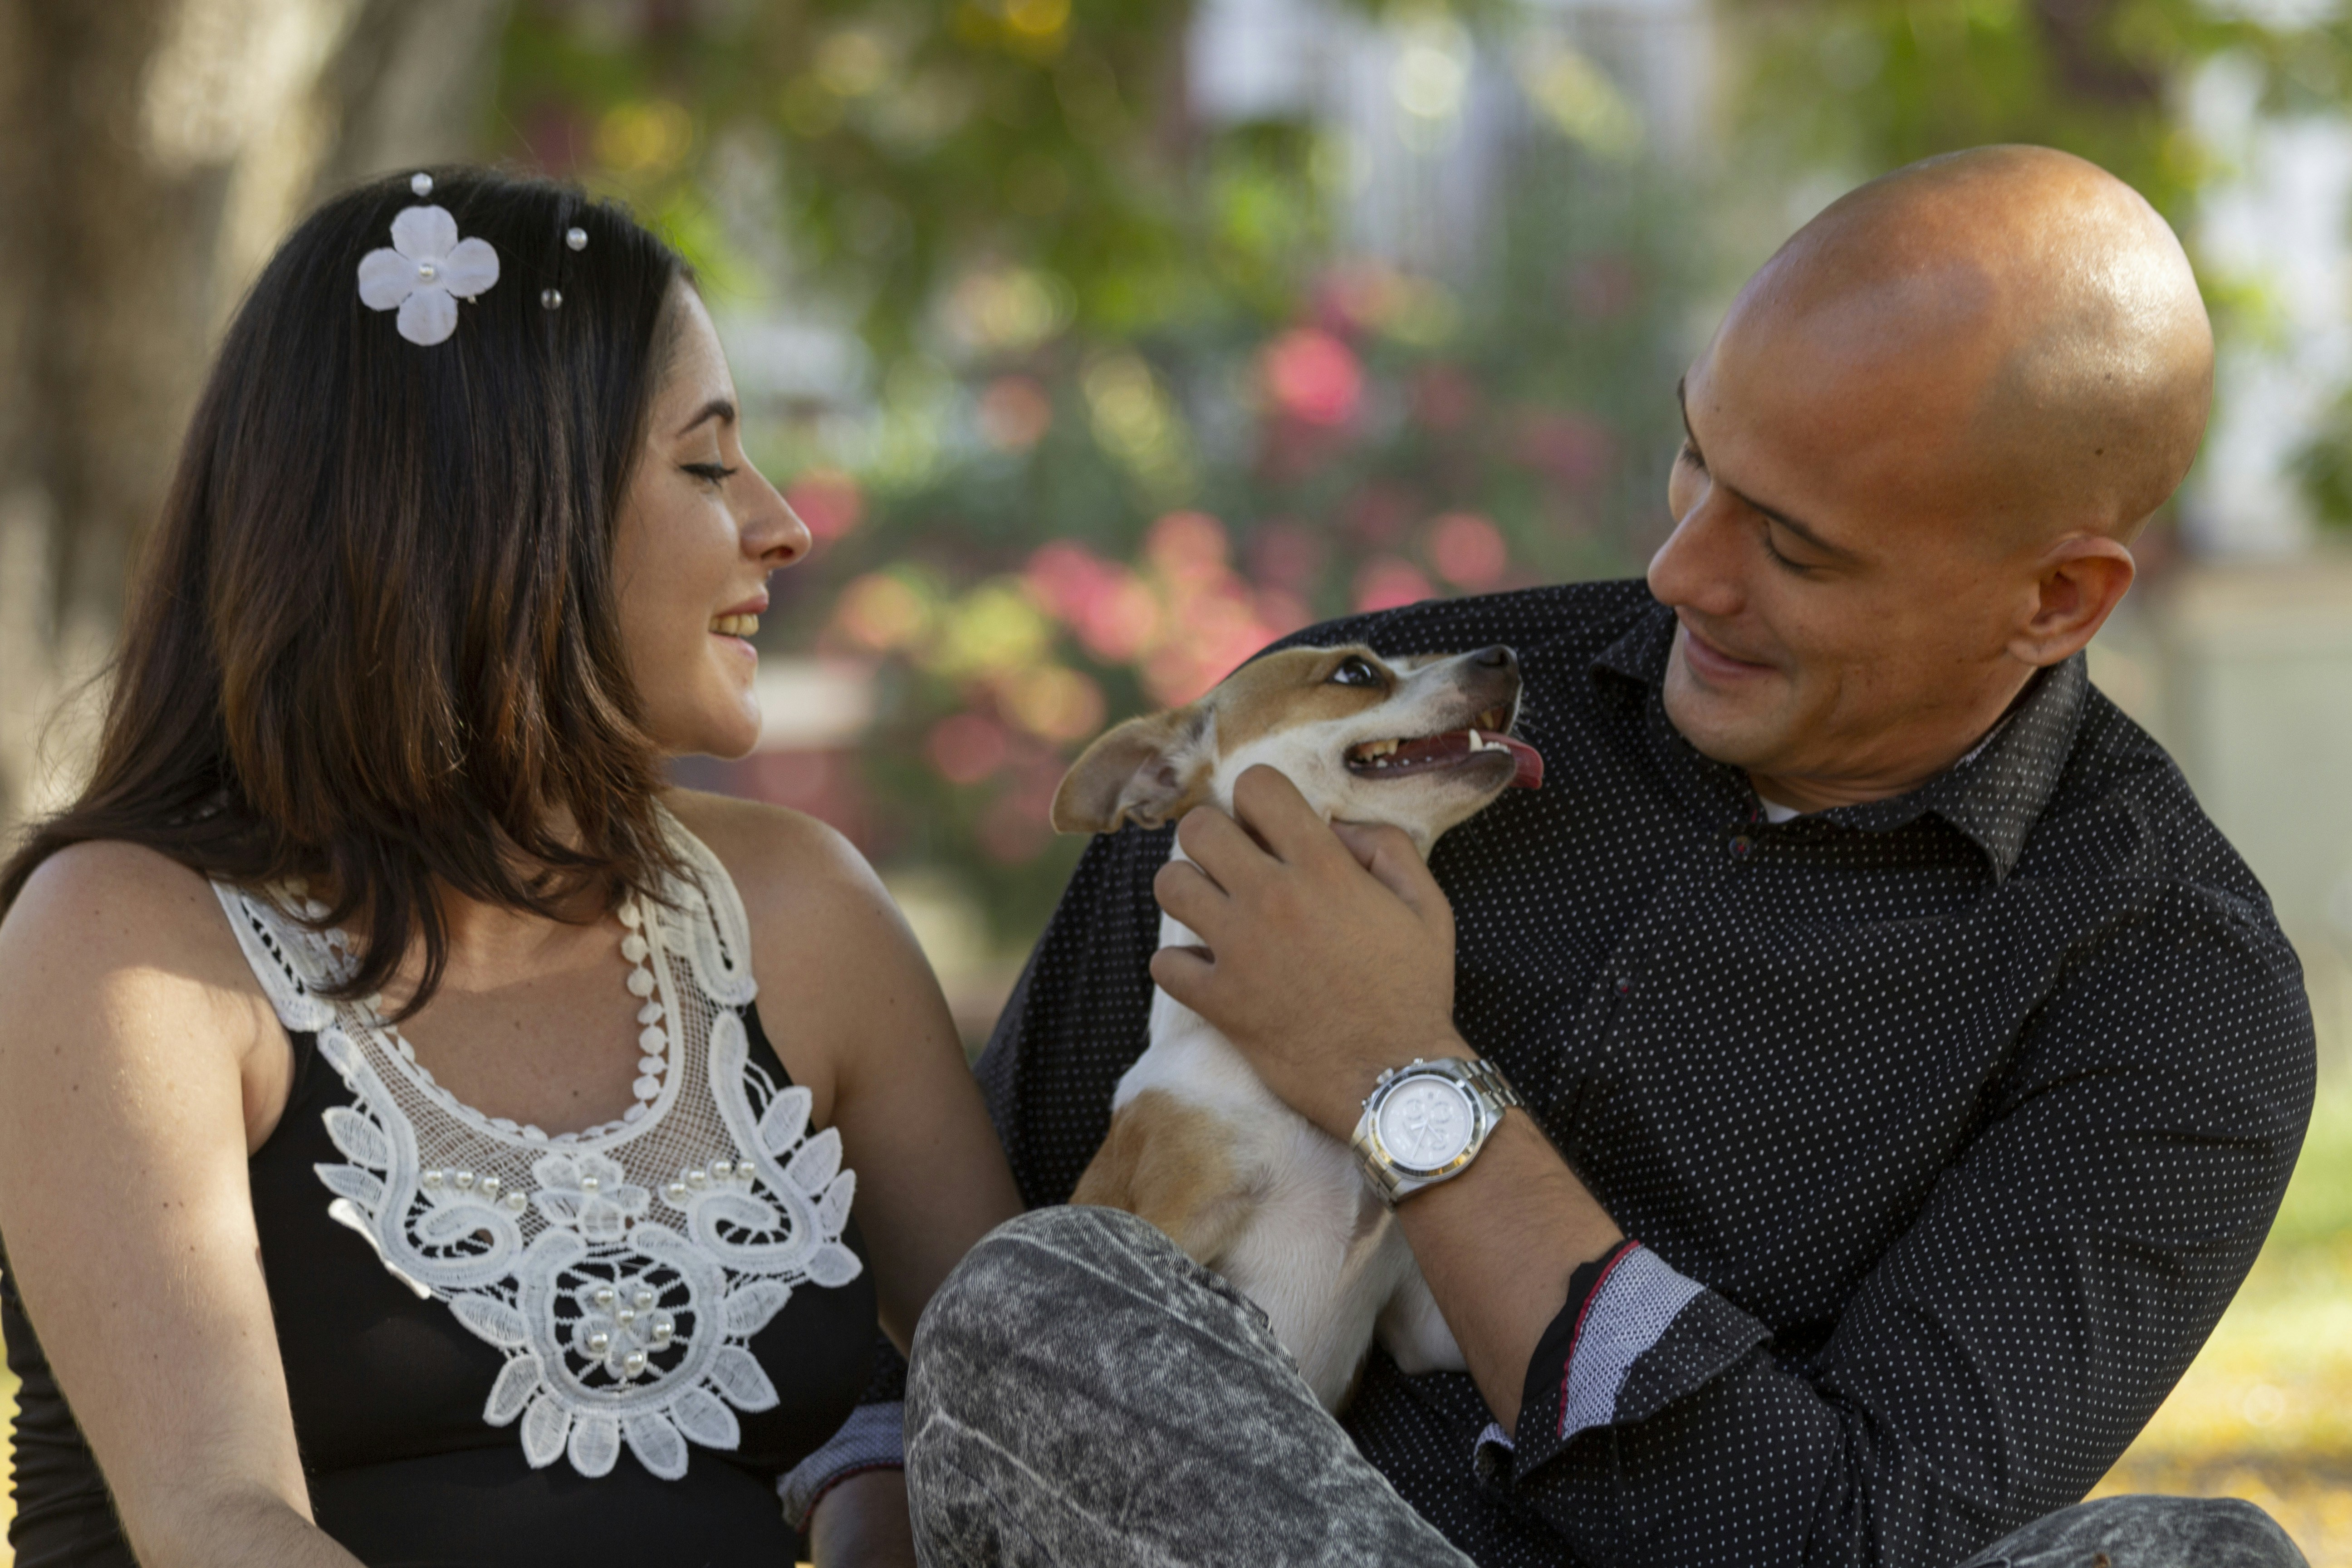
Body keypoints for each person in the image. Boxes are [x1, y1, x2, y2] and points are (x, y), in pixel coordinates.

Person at [906, 147, 2318, 1567]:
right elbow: (1014, 1296)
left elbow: (1855, 1542)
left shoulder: (2174, 990)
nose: (1681, 571)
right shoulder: (1349, 740)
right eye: (1697, 456)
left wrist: (1403, 1074)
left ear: (2056, 598)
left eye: (1795, 549)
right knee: (1032, 1294)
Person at [0, 168, 1021, 1568]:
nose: (782, 525)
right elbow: (216, 1523)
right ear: (494, 505)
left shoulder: (805, 915)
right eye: (707, 466)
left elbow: (1034, 1405)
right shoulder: (128, 943)